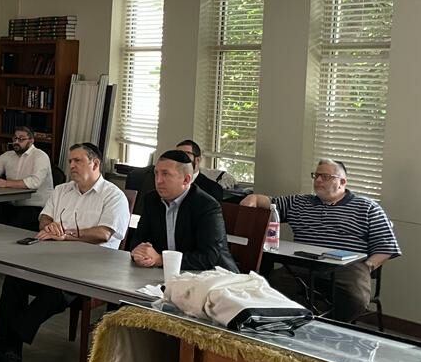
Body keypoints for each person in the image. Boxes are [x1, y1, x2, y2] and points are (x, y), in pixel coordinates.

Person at [0, 143, 130, 362]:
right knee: (15, 278)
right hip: (54, 259)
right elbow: (44, 218)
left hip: (94, 267)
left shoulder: (113, 195)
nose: (72, 166)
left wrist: (67, 234)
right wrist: (49, 227)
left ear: (95, 164)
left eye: (78, 161)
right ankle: (11, 352)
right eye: (70, 161)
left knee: (59, 289)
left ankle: (5, 338)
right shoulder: (61, 190)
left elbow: (104, 234)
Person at [240, 158, 401, 322]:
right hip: (302, 264)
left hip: (346, 267)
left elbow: (386, 247)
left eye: (325, 177)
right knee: (270, 287)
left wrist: (367, 267)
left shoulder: (368, 207)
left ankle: (324, 325)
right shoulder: (299, 202)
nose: (318, 180)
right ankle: (299, 321)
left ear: (342, 182)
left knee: (354, 299)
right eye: (316, 176)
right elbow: (268, 202)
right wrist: (253, 199)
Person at [130, 149, 238, 273]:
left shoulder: (207, 206)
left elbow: (208, 258)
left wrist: (162, 260)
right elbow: (138, 240)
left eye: (165, 174)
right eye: (156, 173)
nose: (158, 180)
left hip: (213, 276)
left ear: (186, 180)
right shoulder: (151, 200)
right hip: (164, 274)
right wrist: (140, 252)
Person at [127, 138, 223, 220]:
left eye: (185, 154)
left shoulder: (212, 189)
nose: (179, 158)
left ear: (197, 160)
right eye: (177, 154)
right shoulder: (155, 189)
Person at [0, 126, 53, 229]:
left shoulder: (40, 156)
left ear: (31, 141)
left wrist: (5, 183)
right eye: (15, 138)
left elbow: (34, 182)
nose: (16, 142)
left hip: (34, 207)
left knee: (10, 227)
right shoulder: (8, 155)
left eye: (21, 139)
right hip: (11, 204)